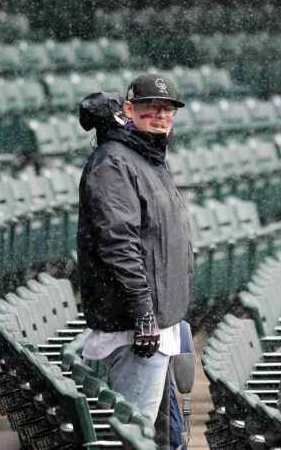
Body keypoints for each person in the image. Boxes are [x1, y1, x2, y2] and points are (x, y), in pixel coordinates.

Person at [76, 73, 194, 449]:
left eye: (168, 109)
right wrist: (143, 314)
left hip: (158, 322)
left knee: (160, 436)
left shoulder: (145, 156)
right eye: (150, 108)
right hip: (138, 329)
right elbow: (119, 244)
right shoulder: (114, 162)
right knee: (138, 436)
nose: (161, 115)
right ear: (128, 110)